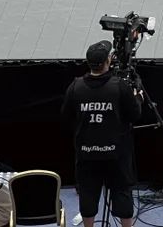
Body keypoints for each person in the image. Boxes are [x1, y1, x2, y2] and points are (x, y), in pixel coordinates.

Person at [61, 41, 142, 227]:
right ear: (108, 61)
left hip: (86, 154)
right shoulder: (120, 86)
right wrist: (138, 98)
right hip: (116, 155)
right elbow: (135, 115)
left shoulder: (75, 87)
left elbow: (65, 117)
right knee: (122, 192)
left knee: (87, 193)